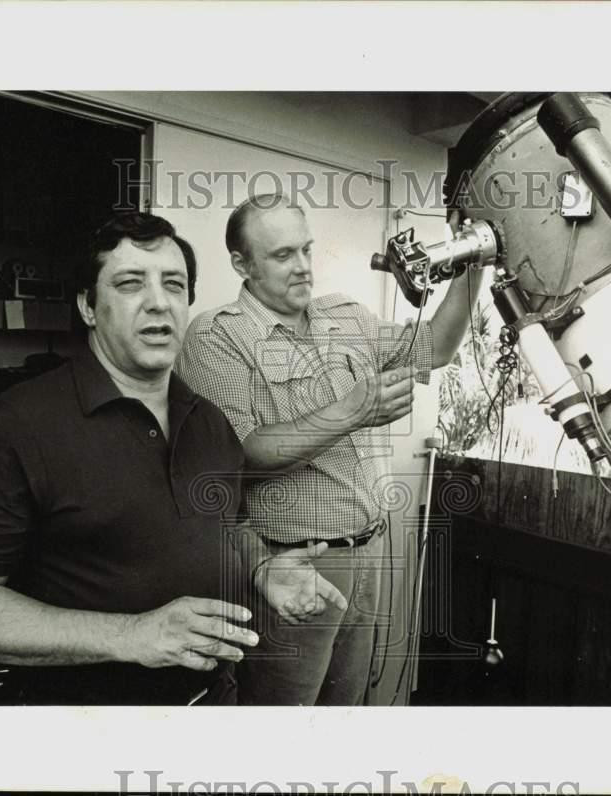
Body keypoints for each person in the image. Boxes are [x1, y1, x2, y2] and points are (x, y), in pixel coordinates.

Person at [0, 212, 269, 705]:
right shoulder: (15, 427)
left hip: (212, 702)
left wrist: (266, 570)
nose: (158, 302)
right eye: (130, 284)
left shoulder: (210, 419)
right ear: (88, 306)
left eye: (174, 284)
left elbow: (228, 526)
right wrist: (133, 635)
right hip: (83, 729)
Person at [176, 194, 484, 705]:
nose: (302, 268)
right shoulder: (216, 336)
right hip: (290, 561)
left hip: (368, 550)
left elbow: (437, 346)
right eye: (281, 256)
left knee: (344, 721)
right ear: (241, 264)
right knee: (282, 729)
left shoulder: (346, 316)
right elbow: (245, 453)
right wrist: (354, 409)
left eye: (306, 250)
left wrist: (473, 265)